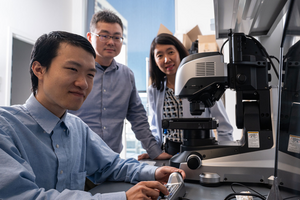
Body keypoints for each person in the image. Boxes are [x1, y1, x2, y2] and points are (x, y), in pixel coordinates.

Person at [0, 31, 186, 200]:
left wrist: (154, 172)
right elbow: (24, 196)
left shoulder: (77, 128)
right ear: (39, 69)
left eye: (90, 74)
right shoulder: (5, 127)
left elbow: (112, 166)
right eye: (72, 69)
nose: (83, 83)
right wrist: (124, 198)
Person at [69, 10, 171, 160]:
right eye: (104, 36)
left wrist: (155, 151)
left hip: (110, 162)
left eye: (117, 37)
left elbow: (138, 117)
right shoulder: (74, 72)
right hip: (74, 159)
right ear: (90, 37)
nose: (111, 42)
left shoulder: (127, 75)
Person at [138, 33, 233, 159]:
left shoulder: (202, 82)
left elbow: (223, 126)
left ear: (179, 53)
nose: (166, 59)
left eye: (170, 52)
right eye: (160, 55)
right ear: (155, 61)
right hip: (169, 153)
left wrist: (223, 155)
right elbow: (156, 128)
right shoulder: (154, 90)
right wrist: (154, 152)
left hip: (201, 149)